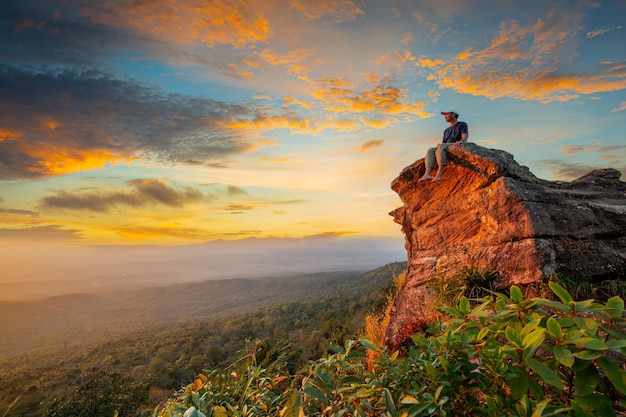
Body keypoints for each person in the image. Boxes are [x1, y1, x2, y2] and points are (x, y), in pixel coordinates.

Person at [419, 110, 469, 182]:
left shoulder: (462, 124)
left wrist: (461, 141)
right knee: (431, 150)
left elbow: (465, 137)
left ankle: (439, 173)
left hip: (454, 144)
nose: (445, 117)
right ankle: (427, 174)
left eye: (447, 114)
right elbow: (444, 143)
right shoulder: (446, 130)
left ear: (453, 114)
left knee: (441, 147)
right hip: (446, 145)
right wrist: (440, 145)